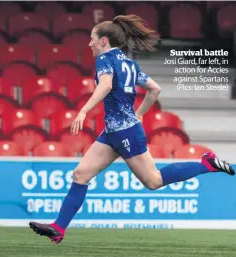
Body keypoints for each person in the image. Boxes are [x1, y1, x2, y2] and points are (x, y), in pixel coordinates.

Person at [29, 14, 235, 245]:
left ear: (104, 41)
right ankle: (59, 228)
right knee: (80, 174)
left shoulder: (105, 59)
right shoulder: (129, 63)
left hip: (125, 132)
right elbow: (154, 89)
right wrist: (139, 114)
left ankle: (205, 164)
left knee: (153, 181)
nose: (89, 44)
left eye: (92, 39)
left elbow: (106, 85)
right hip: (113, 132)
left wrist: (84, 111)